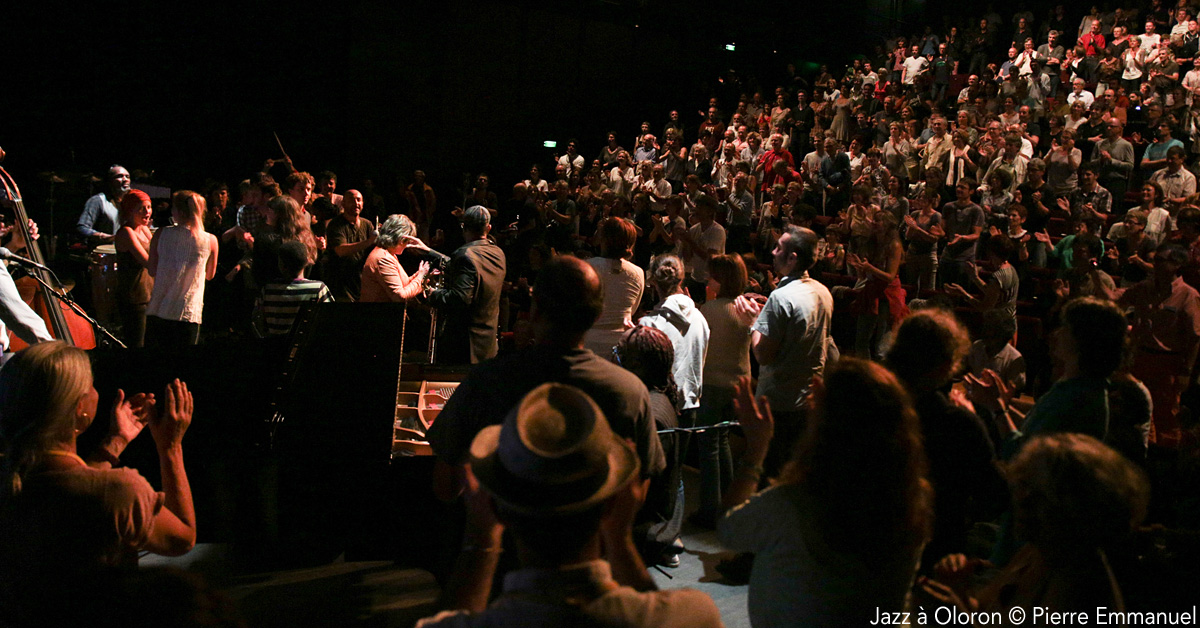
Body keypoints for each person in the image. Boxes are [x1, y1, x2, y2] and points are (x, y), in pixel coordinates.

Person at [415, 383, 722, 628]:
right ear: (612, 503)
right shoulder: (695, 615)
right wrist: (619, 537)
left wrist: (481, 537)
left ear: (496, 509)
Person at [426, 255, 666, 504]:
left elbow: (446, 486)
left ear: (534, 310)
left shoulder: (485, 381)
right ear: (596, 316)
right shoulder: (630, 392)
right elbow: (639, 494)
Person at [718, 359, 932, 628]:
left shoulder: (795, 504)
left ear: (832, 428)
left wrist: (756, 449)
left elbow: (729, 529)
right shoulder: (911, 502)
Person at [0, 342, 196, 582]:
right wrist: (170, 447)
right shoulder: (120, 491)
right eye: (91, 384)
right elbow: (183, 539)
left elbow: (69, 483)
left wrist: (116, 442)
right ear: (80, 408)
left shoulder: (15, 479)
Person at [922, 434, 1148, 620]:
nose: (1023, 502)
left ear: (1080, 507)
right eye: (1024, 486)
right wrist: (956, 588)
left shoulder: (1080, 590)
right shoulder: (1038, 552)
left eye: (1040, 495)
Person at [886, 309, 1007, 571]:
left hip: (875, 543)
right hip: (938, 554)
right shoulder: (958, 422)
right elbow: (994, 494)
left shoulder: (874, 404)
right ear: (947, 364)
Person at [733, 226, 833, 477]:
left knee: (767, 474)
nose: (773, 251)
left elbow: (763, 355)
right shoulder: (823, 291)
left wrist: (752, 322)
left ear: (792, 258)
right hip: (808, 400)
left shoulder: (781, 297)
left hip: (779, 403)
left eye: (779, 247)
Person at [692, 254, 752, 528]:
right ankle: (729, 505)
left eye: (712, 275)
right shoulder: (747, 306)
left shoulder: (711, 310)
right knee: (723, 441)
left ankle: (709, 511)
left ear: (722, 279)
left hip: (714, 383)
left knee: (709, 448)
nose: (708, 279)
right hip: (740, 383)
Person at [428, 206, 506, 365]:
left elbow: (459, 299)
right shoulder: (499, 254)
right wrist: (428, 251)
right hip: (488, 346)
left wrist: (432, 293)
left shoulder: (464, 255)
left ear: (464, 227)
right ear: (488, 227)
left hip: (465, 348)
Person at [638, 255, 710, 424]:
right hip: (690, 403)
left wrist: (633, 337)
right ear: (682, 279)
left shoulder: (650, 323)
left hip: (660, 407)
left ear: (654, 282)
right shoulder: (700, 318)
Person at [145, 191, 218, 348]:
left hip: (159, 309)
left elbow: (152, 270)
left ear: (176, 211)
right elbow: (210, 275)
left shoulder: (160, 234)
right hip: (187, 312)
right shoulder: (210, 240)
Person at [583, 218, 644, 356]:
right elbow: (633, 309)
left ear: (604, 239)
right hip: (621, 344)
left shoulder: (587, 267)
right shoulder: (638, 272)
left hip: (589, 342)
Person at [258, 240, 334, 336]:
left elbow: (259, 319)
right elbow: (331, 318)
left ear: (281, 265)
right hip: (305, 347)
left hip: (275, 347)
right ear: (307, 262)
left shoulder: (268, 289)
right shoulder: (318, 289)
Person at [360, 214, 438, 303]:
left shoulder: (389, 254)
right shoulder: (383, 258)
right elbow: (400, 296)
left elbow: (402, 284)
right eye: (407, 241)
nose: (408, 245)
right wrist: (420, 278)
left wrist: (421, 274)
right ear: (401, 240)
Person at [113, 190, 154, 348]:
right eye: (142, 208)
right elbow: (149, 262)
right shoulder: (126, 233)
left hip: (149, 294)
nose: (147, 212)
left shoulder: (144, 229)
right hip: (134, 298)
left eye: (149, 207)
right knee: (137, 343)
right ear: (130, 210)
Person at [324, 190, 377, 301]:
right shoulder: (336, 224)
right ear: (343, 204)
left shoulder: (367, 224)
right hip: (341, 283)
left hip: (361, 281)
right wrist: (369, 241)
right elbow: (340, 250)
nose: (356, 203)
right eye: (351, 200)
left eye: (359, 200)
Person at [76, 165, 130, 243]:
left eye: (127, 177)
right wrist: (105, 237)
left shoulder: (132, 201)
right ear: (110, 181)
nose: (125, 179)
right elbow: (82, 228)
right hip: (105, 251)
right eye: (119, 176)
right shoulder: (97, 201)